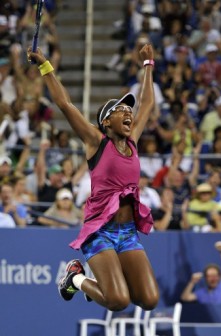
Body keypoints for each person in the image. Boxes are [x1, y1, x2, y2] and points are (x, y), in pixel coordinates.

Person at [28, 43, 159, 311]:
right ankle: (75, 279)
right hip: (100, 231)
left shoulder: (132, 141)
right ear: (105, 122)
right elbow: (64, 103)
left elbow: (147, 102)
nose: (129, 113)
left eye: (129, 111)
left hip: (127, 233)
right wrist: (45, 66)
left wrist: (148, 66)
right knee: (118, 301)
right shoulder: (95, 142)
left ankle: (103, 282)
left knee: (149, 300)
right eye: (121, 110)